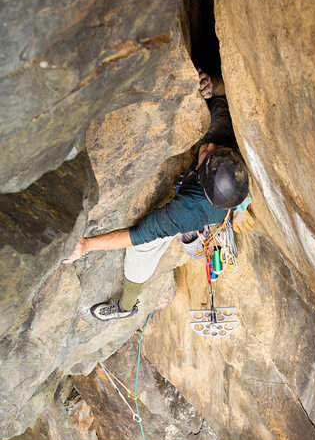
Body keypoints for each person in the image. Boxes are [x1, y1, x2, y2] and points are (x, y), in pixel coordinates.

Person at [64, 70, 253, 320]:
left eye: (206, 154)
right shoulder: (226, 140)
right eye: (214, 149)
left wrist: (88, 244)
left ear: (202, 179)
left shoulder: (188, 209)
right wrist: (214, 85)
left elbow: (139, 235)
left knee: (142, 250)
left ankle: (126, 306)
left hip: (197, 211)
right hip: (220, 193)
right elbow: (226, 99)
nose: (209, 145)